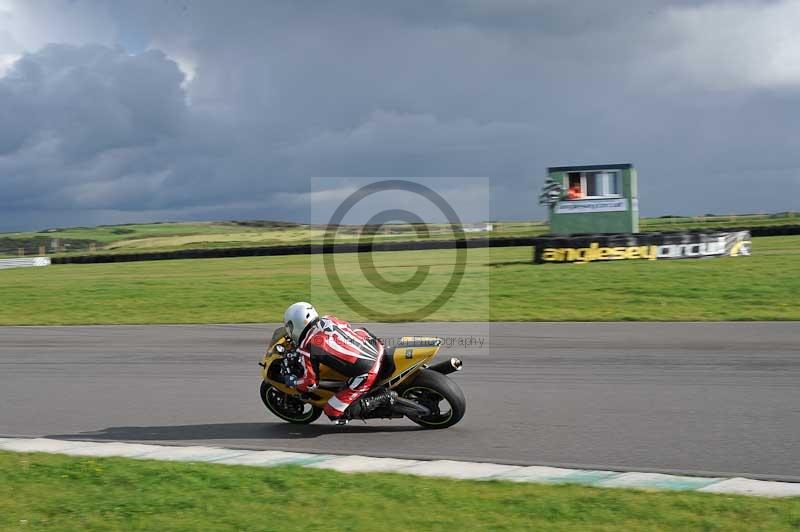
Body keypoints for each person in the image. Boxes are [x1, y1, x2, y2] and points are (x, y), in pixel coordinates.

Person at [279, 302, 395, 425]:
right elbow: (347, 326)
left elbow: (310, 384)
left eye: (289, 327)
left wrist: (293, 381)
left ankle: (384, 397)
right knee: (358, 331)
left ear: (297, 324)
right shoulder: (328, 319)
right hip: (375, 347)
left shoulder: (308, 346)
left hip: (367, 370)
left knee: (333, 411)